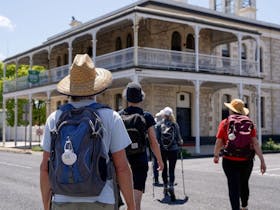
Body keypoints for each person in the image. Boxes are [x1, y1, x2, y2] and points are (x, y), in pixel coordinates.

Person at [40, 54, 135, 210]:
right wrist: (131, 205)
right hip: (101, 199)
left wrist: (46, 205)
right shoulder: (111, 117)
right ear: (95, 87)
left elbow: (45, 167)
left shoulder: (55, 118)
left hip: (63, 199)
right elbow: (122, 167)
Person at [213, 98, 266, 210]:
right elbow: (255, 143)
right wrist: (262, 161)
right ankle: (244, 206)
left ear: (231, 110)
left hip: (229, 159)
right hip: (246, 160)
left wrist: (216, 155)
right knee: (244, 183)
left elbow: (219, 142)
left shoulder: (225, 122)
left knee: (233, 187)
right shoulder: (249, 122)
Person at [120, 82, 164, 210]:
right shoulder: (147, 116)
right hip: (140, 161)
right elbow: (153, 141)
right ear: (141, 97)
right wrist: (160, 161)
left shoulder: (119, 115)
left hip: (123, 161)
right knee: (136, 203)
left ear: (126, 97)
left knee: (124, 201)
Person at [156, 106, 183, 201]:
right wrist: (180, 143)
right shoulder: (175, 125)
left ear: (163, 115)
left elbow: (157, 139)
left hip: (163, 150)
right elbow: (179, 139)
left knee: (164, 169)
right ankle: (171, 185)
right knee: (172, 169)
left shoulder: (159, 125)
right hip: (173, 149)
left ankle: (165, 187)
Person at [152, 109, 165, 185]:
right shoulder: (161, 124)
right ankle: (165, 178)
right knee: (162, 162)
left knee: (155, 163)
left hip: (154, 145)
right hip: (161, 145)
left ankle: (156, 178)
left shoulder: (153, 123)